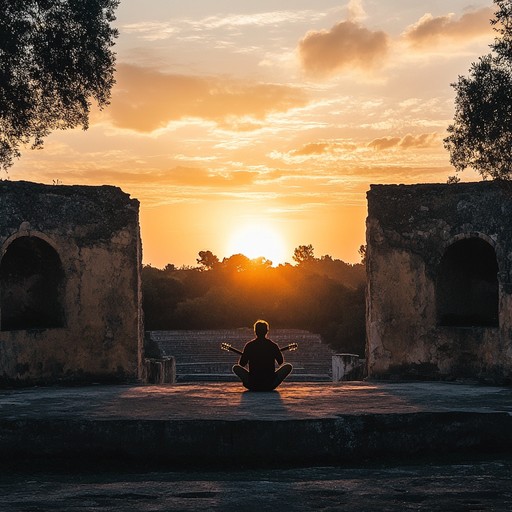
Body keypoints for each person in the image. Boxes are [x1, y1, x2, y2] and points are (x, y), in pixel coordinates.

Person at [232, 320, 293, 391]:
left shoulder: (249, 346)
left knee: (235, 368)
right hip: (270, 383)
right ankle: (271, 385)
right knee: (288, 366)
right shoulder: (273, 345)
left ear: (255, 331)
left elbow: (241, 364)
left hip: (253, 383)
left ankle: (250, 384)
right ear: (267, 331)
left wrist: (246, 355)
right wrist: (276, 352)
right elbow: (280, 362)